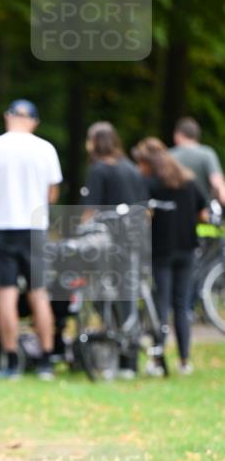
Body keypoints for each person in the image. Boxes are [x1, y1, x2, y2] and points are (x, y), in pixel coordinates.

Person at [0, 99, 62, 381]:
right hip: (35, 227)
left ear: (7, 117)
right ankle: (46, 359)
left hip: (3, 225)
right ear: (34, 121)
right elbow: (52, 194)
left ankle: (10, 360)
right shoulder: (46, 148)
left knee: (6, 293)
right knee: (39, 292)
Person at [132, 138, 208, 374]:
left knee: (161, 305)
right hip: (187, 249)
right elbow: (203, 213)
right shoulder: (188, 181)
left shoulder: (149, 183)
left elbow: (144, 215)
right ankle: (184, 360)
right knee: (182, 305)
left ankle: (157, 359)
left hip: (161, 250)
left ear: (146, 162)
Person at [81, 121, 147, 378]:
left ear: (94, 142)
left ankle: (113, 349)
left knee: (101, 297)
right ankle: (129, 362)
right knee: (128, 298)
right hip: (133, 242)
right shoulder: (131, 168)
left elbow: (89, 211)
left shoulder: (99, 170)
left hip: (107, 244)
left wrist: (80, 233)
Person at [171, 117, 225, 206]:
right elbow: (217, 182)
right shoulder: (207, 153)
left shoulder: (170, 156)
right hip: (203, 213)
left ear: (178, 135)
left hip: (176, 212)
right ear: (197, 135)